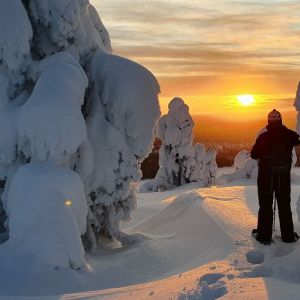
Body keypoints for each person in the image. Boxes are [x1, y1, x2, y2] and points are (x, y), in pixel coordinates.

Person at [251, 109, 300, 245]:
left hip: (266, 179)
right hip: (283, 179)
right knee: (284, 206)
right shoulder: (289, 135)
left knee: (265, 206)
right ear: (281, 120)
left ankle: (264, 236)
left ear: (268, 121)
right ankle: (288, 236)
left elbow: (253, 155)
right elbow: (297, 139)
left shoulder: (263, 138)